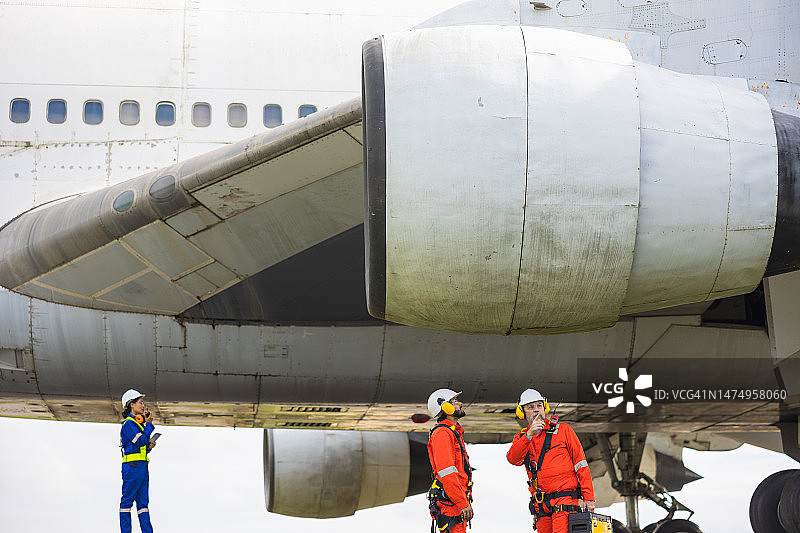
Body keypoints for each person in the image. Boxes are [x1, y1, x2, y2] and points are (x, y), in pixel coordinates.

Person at [507, 388, 595, 533]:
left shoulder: (564, 430)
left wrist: (589, 497)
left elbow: (581, 465)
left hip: (565, 501)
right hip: (542, 506)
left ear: (545, 408)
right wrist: (529, 435)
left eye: (539, 406)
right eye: (531, 407)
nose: (536, 410)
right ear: (522, 412)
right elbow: (513, 459)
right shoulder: (522, 438)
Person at [426, 388, 474, 533]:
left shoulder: (452, 432)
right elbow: (446, 472)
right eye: (454, 401)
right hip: (452, 505)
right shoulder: (443, 433)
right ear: (445, 406)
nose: (460, 403)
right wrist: (463, 503)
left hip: (455, 504)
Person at [119, 389, 157, 533]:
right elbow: (140, 441)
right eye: (140, 402)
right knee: (127, 502)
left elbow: (140, 446)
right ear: (131, 405)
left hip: (141, 467)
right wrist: (148, 425)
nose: (143, 405)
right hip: (132, 468)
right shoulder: (129, 424)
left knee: (143, 505)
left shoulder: (137, 424)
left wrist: (149, 447)